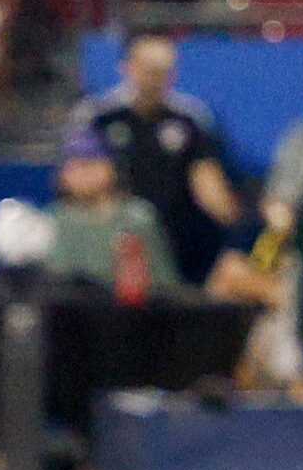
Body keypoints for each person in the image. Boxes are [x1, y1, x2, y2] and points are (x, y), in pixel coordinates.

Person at [70, 32, 244, 291]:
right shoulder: (98, 117)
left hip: (179, 245)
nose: (156, 78)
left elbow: (208, 181)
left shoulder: (191, 119)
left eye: (164, 70)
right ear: (127, 67)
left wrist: (226, 211)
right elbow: (75, 178)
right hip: (114, 244)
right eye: (149, 69)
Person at [44, 126, 182, 293]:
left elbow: (165, 287)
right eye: (73, 166)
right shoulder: (48, 222)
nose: (82, 173)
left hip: (127, 315)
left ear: (112, 169)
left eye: (89, 163)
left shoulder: (138, 219)